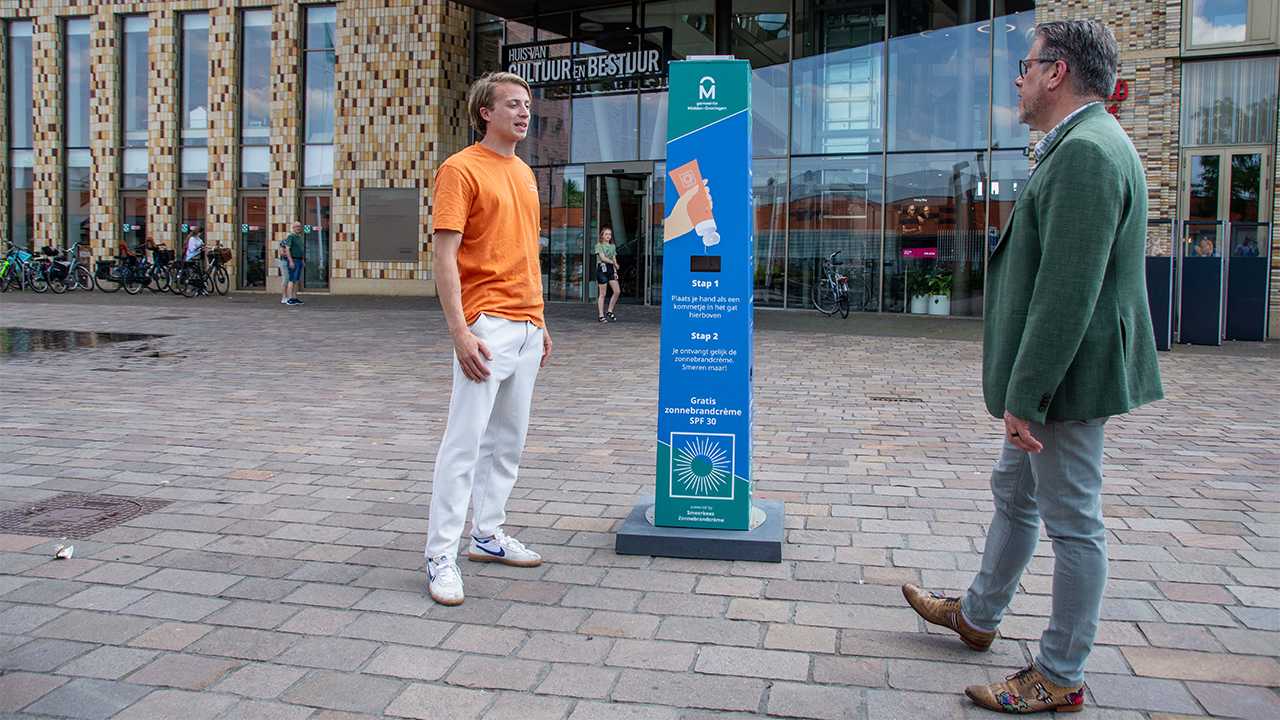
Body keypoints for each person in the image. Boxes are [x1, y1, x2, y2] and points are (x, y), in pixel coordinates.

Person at [900, 20, 1162, 715]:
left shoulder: (1088, 153)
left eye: (1026, 64)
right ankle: (980, 616)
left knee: (1073, 521)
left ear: (1057, 73)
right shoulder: (1082, 144)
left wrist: (1028, 395)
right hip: (1056, 379)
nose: (1016, 78)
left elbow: (1066, 292)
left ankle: (1060, 672)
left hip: (1066, 382)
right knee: (1014, 495)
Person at [424, 71, 552, 606]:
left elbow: (526, 254)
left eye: (527, 105)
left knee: (508, 444)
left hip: (525, 327)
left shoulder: (524, 173)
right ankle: (439, 555)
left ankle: (487, 535)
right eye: (513, 105)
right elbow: (443, 255)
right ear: (486, 111)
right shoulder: (459, 170)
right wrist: (460, 331)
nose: (524, 113)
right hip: (485, 326)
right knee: (465, 442)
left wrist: (542, 321)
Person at [595, 227, 621, 322]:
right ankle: (601, 315)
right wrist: (614, 263)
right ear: (602, 235)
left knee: (617, 291)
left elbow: (614, 258)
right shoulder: (599, 246)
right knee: (603, 293)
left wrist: (615, 271)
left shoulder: (612, 246)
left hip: (610, 268)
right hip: (602, 268)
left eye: (609, 234)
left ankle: (609, 310)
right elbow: (603, 258)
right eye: (606, 234)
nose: (608, 236)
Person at [282, 221, 304, 306]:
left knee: (296, 280)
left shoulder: (299, 236)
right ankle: (289, 298)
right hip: (293, 259)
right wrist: (290, 261)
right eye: (297, 226)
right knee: (292, 279)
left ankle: (294, 297)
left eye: (299, 226)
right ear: (293, 228)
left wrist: (302, 260)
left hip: (299, 259)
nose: (298, 228)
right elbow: (287, 249)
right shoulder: (291, 236)